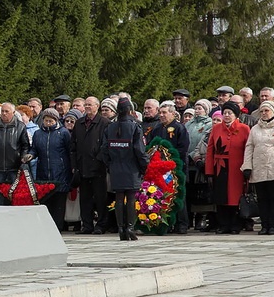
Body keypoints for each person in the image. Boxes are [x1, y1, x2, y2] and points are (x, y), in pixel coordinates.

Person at [241, 101, 274, 234]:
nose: (264, 113)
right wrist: (247, 166)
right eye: (262, 111)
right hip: (258, 167)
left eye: (267, 111)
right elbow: (249, 148)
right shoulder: (255, 128)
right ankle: (265, 225)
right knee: (262, 198)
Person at [100, 99, 149, 241]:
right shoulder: (135, 127)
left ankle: (121, 228)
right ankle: (130, 227)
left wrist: (110, 164)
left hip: (116, 167)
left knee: (119, 197)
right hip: (131, 167)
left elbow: (104, 149)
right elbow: (139, 150)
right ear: (130, 110)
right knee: (131, 197)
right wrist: (144, 166)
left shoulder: (110, 127)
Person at [205, 101, 250, 234]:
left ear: (236, 115)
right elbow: (210, 150)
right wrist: (209, 170)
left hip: (237, 169)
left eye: (230, 113)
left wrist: (248, 168)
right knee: (221, 197)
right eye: (225, 113)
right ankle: (223, 224)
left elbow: (248, 149)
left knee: (235, 197)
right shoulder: (216, 128)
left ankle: (235, 225)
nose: (227, 115)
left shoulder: (244, 128)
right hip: (220, 168)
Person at [147, 101, 190, 233]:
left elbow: (183, 148)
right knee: (163, 196)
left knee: (178, 195)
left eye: (164, 112)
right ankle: (167, 223)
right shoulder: (157, 129)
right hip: (160, 170)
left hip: (176, 168)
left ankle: (182, 224)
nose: (161, 115)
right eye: (160, 112)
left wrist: (171, 159)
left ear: (172, 113)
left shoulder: (179, 128)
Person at [70, 99, 109, 234]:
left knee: (100, 198)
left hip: (98, 167)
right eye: (85, 104)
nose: (87, 107)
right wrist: (74, 165)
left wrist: (99, 160)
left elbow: (106, 145)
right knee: (85, 198)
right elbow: (73, 146)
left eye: (89, 105)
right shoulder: (79, 123)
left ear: (97, 107)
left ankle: (101, 225)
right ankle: (87, 225)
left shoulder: (104, 123)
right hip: (82, 166)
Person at [0, 103, 31, 206]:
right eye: (2, 111)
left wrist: (23, 160)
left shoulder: (20, 126)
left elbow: (25, 146)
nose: (3, 114)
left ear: (13, 113)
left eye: (6, 111)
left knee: (16, 195)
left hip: (14, 168)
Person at [31, 108, 72, 227]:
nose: (48, 123)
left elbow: (69, 151)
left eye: (51, 121)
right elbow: (34, 149)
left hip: (60, 172)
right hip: (43, 171)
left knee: (59, 203)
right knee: (46, 201)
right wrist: (30, 155)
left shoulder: (63, 133)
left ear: (56, 121)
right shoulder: (38, 134)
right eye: (46, 120)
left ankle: (58, 226)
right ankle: (47, 226)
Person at [187, 99, 214, 230]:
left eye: (200, 108)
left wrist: (195, 156)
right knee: (191, 190)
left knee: (202, 191)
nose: (197, 111)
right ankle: (189, 218)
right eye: (196, 108)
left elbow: (203, 143)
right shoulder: (189, 124)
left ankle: (201, 218)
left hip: (200, 162)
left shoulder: (209, 124)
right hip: (188, 162)